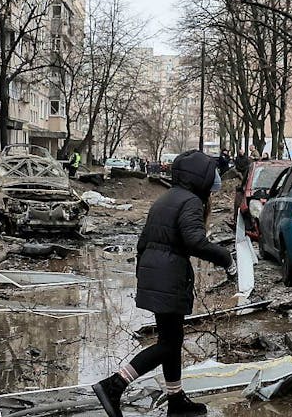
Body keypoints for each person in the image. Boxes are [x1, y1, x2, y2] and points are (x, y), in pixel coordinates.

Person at [92, 151, 235, 417]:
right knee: (168, 344)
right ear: (200, 177)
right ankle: (114, 385)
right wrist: (226, 258)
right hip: (168, 275)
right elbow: (195, 241)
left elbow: (143, 241)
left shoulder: (167, 198)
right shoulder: (191, 201)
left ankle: (176, 400)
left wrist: (144, 276)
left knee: (171, 339)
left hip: (156, 273)